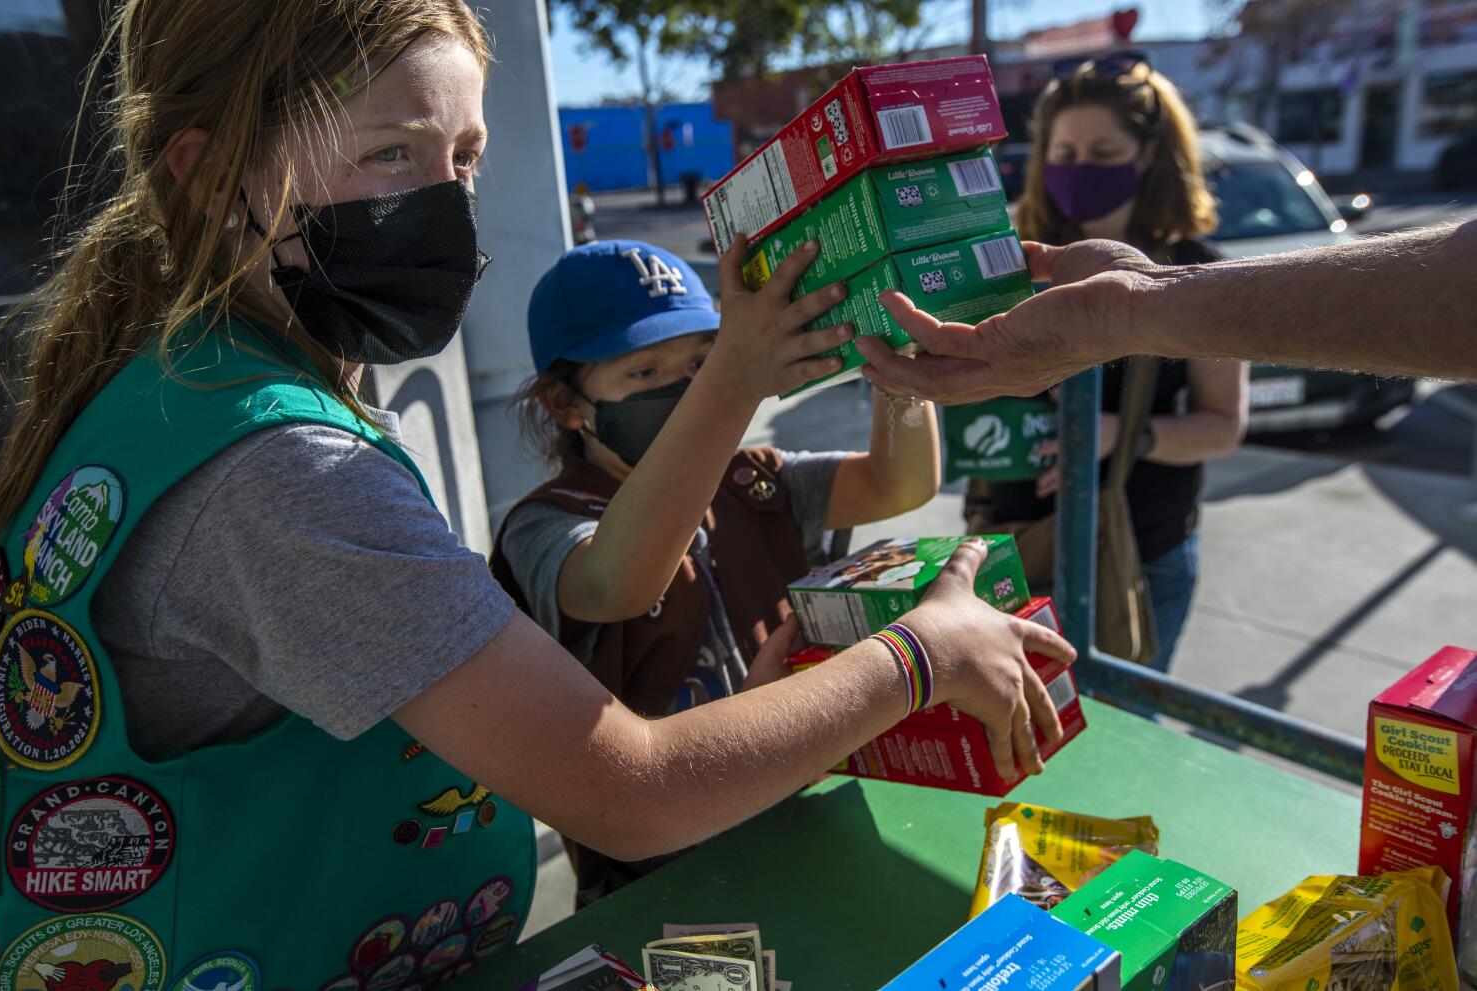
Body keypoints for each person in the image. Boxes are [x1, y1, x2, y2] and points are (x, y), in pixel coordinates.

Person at [0, 0, 1072, 972]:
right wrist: (921, 654)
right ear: (211, 170)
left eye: (462, 157)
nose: (445, 206)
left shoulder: (181, 387)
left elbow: (886, 481)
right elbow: (627, 788)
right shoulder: (279, 472)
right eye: (388, 154)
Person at [490, 238, 941, 904]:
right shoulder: (545, 525)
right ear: (566, 404)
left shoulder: (753, 479)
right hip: (659, 883)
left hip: (797, 819)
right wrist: (728, 383)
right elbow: (617, 582)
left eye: (701, 361)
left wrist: (893, 360)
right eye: (643, 374)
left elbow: (897, 484)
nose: (683, 387)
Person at [962, 56, 1247, 672]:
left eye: (1102, 151)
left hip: (1142, 557)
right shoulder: (1008, 259)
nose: (1079, 169)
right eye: (1063, 153)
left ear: (1147, 156)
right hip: (1009, 542)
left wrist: (1122, 435)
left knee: (1126, 736)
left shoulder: (1199, 272)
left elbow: (1221, 425)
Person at [856, 220, 1477, 401]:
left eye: (1103, 151)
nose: (1081, 171)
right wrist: (1131, 304)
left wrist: (1130, 307)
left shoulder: (1195, 256)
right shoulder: (1038, 262)